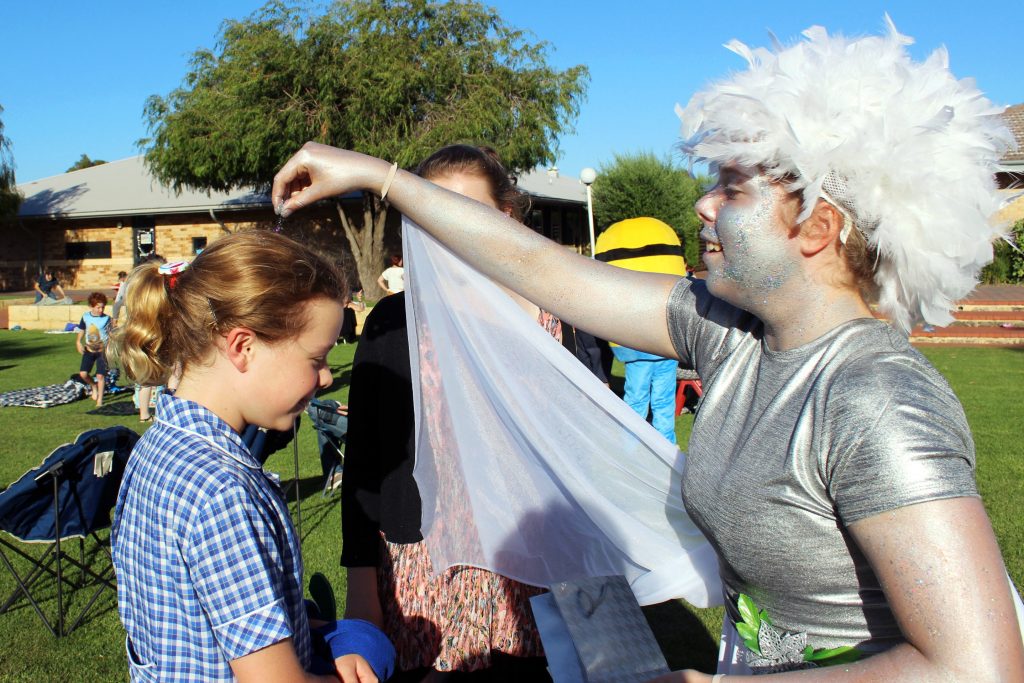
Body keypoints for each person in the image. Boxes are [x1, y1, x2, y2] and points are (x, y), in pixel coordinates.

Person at [273, 18, 1024, 681]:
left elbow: (975, 665)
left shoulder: (876, 397)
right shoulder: (727, 334)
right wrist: (382, 176)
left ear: (818, 229)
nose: (703, 202)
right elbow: (545, 269)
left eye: (733, 187)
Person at [108, 231, 393, 683]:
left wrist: (310, 627)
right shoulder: (223, 493)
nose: (324, 379)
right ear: (243, 347)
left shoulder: (157, 450)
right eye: (316, 358)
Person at [343, 145, 554, 681]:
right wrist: (362, 592)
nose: (451, 229)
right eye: (434, 213)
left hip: (530, 565)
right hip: (423, 566)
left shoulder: (556, 316)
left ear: (505, 215)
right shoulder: (392, 322)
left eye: (469, 213)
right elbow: (364, 467)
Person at [595, 217, 687, 443]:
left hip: (638, 344)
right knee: (662, 401)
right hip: (665, 342)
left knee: (637, 398)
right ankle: (665, 446)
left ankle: (634, 446)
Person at [75, 292, 112, 407]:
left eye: (103, 307)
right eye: (98, 307)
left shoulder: (107, 319)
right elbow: (81, 330)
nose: (101, 310)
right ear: (91, 306)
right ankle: (93, 386)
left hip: (103, 351)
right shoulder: (85, 317)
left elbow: (111, 333)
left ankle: (100, 400)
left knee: (101, 376)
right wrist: (78, 342)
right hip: (89, 350)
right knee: (83, 374)